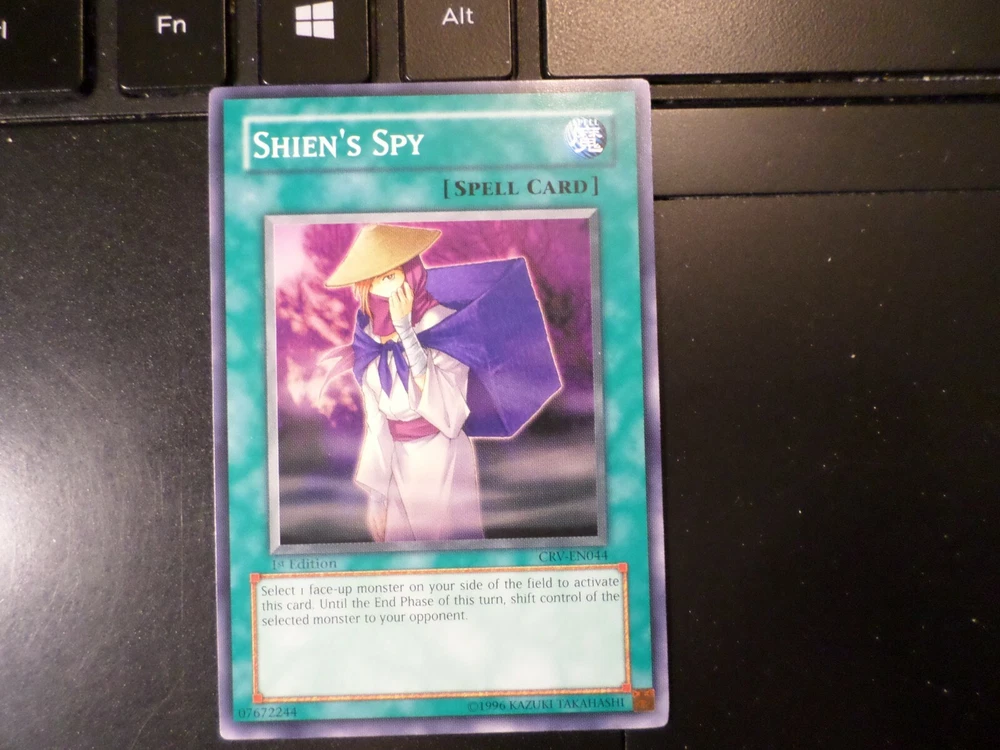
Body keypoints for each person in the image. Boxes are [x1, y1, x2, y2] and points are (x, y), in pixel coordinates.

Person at [324, 225, 483, 542]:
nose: (384, 287)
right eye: (375, 278)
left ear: (411, 273)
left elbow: (449, 407)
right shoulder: (368, 337)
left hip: (442, 454)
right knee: (399, 550)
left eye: (391, 275)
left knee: (445, 548)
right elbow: (376, 421)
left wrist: (406, 332)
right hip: (396, 461)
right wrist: (377, 496)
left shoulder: (441, 321)